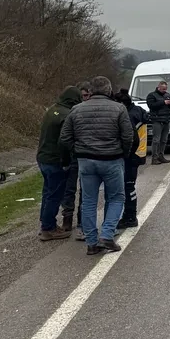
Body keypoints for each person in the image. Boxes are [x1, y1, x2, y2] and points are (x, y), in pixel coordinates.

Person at [59, 75, 133, 255]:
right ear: (109, 90)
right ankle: (107, 234)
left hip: (86, 160)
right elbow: (127, 136)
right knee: (116, 198)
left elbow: (65, 137)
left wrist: (77, 151)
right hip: (112, 159)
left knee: (89, 201)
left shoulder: (76, 110)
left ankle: (92, 242)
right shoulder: (119, 109)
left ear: (90, 91)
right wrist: (124, 153)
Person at [35, 86, 81, 241]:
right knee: (55, 195)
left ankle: (46, 222)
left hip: (43, 157)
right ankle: (48, 228)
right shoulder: (67, 115)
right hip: (56, 160)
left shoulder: (51, 110)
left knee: (47, 192)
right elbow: (64, 141)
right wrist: (66, 161)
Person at [59, 82, 92, 239]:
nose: (85, 98)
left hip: (85, 155)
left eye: (87, 95)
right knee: (69, 188)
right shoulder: (74, 112)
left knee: (85, 189)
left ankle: (81, 222)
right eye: (83, 95)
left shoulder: (90, 111)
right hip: (74, 154)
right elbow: (65, 136)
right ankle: (67, 218)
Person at [115, 89, 149, 229]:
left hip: (131, 154)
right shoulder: (138, 110)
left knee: (127, 187)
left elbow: (129, 138)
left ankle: (130, 217)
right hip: (140, 152)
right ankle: (130, 215)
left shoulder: (128, 115)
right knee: (130, 186)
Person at [146, 80, 170, 164]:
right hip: (157, 120)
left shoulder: (167, 95)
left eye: (166, 89)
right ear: (158, 87)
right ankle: (154, 158)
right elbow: (151, 106)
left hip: (166, 120)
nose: (165, 91)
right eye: (163, 89)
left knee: (164, 140)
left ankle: (161, 156)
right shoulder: (151, 95)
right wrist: (163, 102)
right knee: (156, 140)